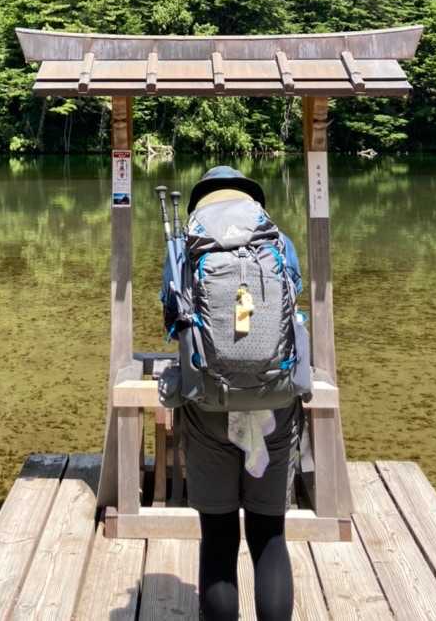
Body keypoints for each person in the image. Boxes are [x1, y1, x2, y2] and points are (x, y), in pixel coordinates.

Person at [177, 166, 302, 621]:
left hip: (210, 406)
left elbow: (173, 316)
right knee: (269, 536)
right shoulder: (278, 243)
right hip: (275, 403)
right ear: (251, 200)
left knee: (218, 536)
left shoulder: (187, 247)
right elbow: (294, 304)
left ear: (202, 201)